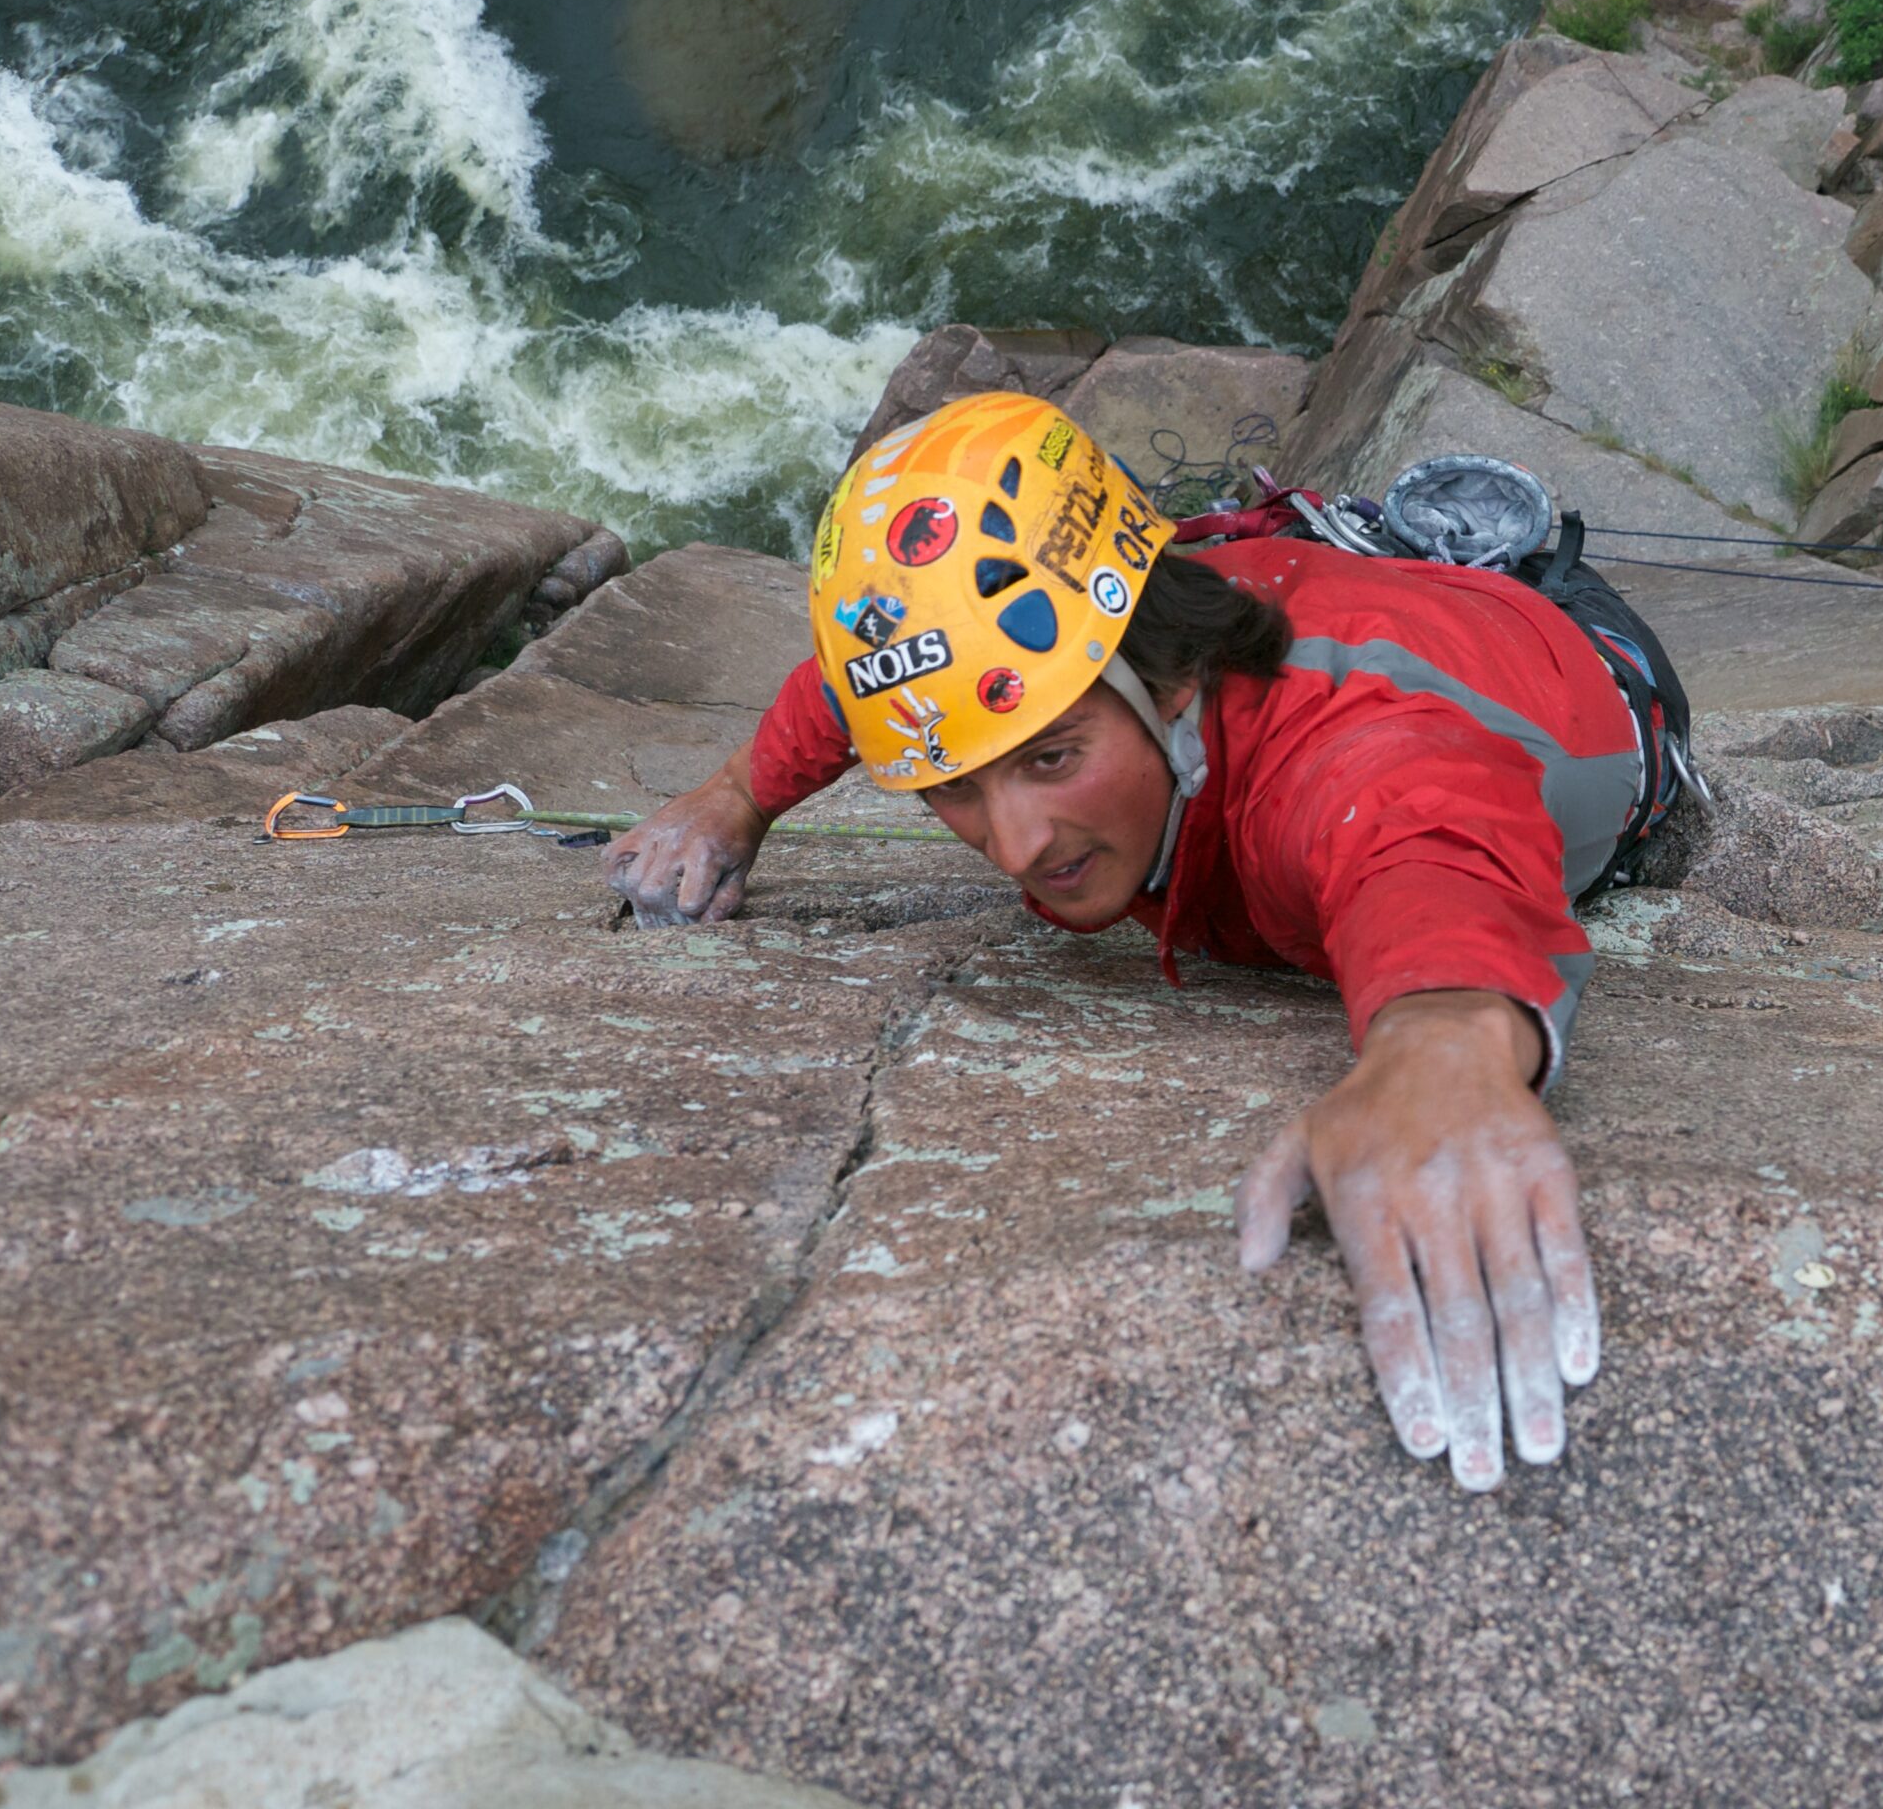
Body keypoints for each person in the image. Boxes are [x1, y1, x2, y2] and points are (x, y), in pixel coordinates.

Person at [604, 392, 1694, 1492]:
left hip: (1572, 651)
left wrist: (1442, 1036)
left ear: (1169, 678)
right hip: (1275, 582)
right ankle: (1289, 550)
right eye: (954, 789)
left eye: (1049, 757)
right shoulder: (1031, 669)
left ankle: (1367, 548)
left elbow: (1423, 838)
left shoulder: (1337, 762)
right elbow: (869, 690)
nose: (1016, 845)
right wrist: (736, 794)